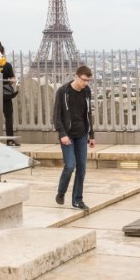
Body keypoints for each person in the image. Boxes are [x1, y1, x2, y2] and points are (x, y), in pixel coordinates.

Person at [53, 65, 95, 210]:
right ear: (76, 76)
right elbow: (56, 116)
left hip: (81, 134)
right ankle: (61, 192)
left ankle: (77, 199)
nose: (86, 83)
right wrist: (62, 134)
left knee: (82, 168)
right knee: (70, 165)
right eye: (84, 80)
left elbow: (88, 114)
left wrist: (91, 135)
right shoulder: (63, 91)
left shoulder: (87, 92)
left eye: (88, 81)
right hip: (67, 135)